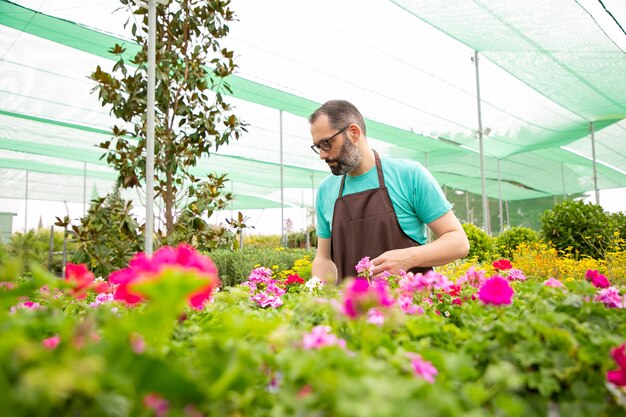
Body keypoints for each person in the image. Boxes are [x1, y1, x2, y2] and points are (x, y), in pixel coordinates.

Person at [309, 99, 469, 283]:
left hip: (411, 307)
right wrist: (319, 295)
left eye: (327, 143)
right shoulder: (326, 191)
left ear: (354, 133)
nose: (322, 155)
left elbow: (458, 242)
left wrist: (409, 257)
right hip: (354, 309)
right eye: (318, 147)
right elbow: (324, 258)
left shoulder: (409, 175)